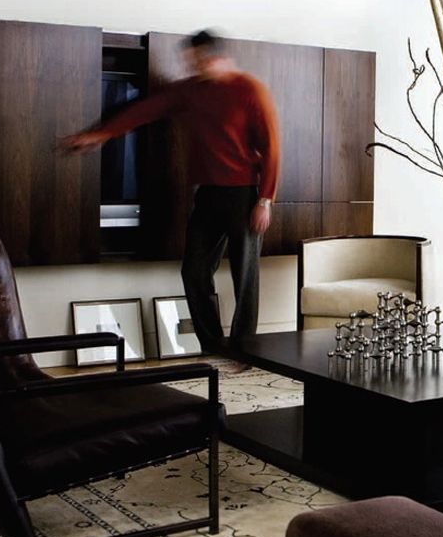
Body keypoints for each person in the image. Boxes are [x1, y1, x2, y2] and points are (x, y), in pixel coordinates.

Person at [60, 30, 280, 353]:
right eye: (190, 62)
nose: (195, 67)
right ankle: (214, 346)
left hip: (244, 195)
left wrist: (265, 200)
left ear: (218, 57)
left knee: (244, 276)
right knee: (193, 271)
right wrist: (103, 134)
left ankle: (244, 348)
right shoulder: (190, 91)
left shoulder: (250, 90)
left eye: (199, 60)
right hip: (207, 195)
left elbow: (271, 147)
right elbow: (145, 110)